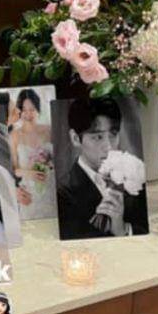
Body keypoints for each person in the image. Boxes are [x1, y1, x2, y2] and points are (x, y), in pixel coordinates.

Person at [57, 98, 149, 240]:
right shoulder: (63, 192)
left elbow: (144, 230)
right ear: (75, 138)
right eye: (98, 137)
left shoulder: (133, 176)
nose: (109, 147)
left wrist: (122, 229)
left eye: (113, 135)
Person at [13, 89, 56, 220]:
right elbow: (14, 170)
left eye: (32, 109)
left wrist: (49, 164)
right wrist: (29, 173)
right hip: (29, 192)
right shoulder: (15, 135)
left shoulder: (50, 130)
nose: (28, 114)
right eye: (24, 110)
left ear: (38, 109)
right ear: (19, 111)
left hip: (50, 188)